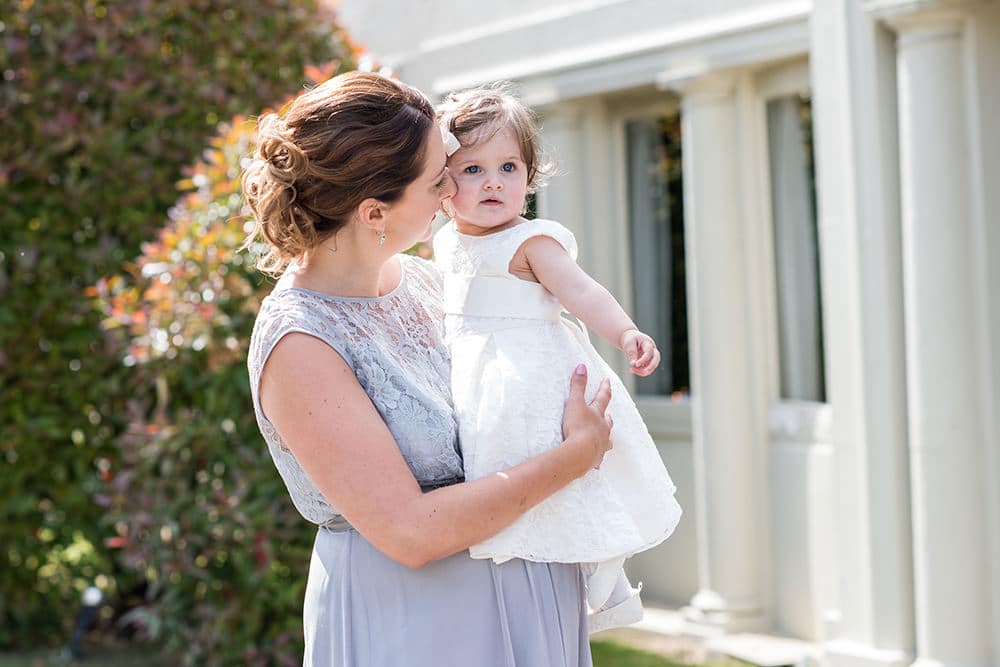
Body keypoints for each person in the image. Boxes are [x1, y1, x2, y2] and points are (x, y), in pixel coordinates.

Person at [241, 71, 615, 667]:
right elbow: (410, 533)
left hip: (526, 588)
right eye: (439, 179)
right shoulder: (302, 343)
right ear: (373, 212)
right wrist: (573, 457)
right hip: (415, 620)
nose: (453, 193)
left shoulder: (427, 283)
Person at [433, 84, 683, 633]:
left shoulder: (532, 241)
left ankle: (602, 579)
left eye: (508, 166)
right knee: (485, 466)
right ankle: (492, 551)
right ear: (441, 181)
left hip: (528, 371)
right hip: (468, 364)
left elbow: (583, 292)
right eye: (472, 169)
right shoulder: (446, 240)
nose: (494, 181)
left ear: (529, 173)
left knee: (559, 474)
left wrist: (626, 332)